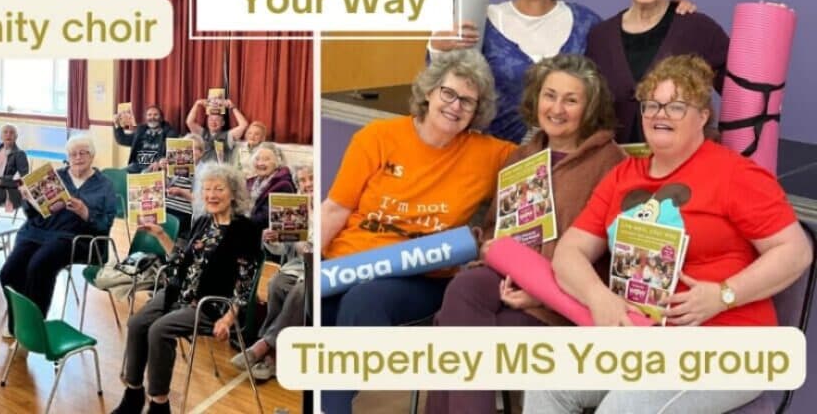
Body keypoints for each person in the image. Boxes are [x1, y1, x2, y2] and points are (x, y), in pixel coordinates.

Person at [524, 54, 812, 414]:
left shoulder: (735, 174)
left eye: (676, 106)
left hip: (730, 344)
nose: (660, 114)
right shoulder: (623, 176)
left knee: (623, 408)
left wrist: (723, 295)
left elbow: (795, 251)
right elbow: (570, 253)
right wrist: (599, 297)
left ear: (703, 116)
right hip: (643, 338)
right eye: (652, 105)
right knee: (545, 385)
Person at [427, 55, 626, 414]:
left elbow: (614, 258)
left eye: (571, 100)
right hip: (506, 279)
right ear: (536, 99)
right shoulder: (521, 156)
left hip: (564, 301)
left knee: (456, 333)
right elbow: (493, 228)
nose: (557, 108)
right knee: (462, 291)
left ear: (590, 107)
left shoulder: (611, 163)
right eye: (550, 95)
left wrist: (542, 295)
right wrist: (489, 245)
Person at [321, 51, 516, 414]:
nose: (456, 107)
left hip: (421, 276)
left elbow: (540, 166)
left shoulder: (490, 155)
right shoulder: (377, 136)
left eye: (468, 102)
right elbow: (335, 208)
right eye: (449, 93)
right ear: (429, 91)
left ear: (478, 111)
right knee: (316, 301)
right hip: (347, 264)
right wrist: (310, 258)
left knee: (364, 301)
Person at [110, 164, 262, 414]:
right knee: (137, 324)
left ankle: (160, 405)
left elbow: (246, 281)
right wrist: (160, 235)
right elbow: (180, 261)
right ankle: (133, 393)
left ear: (233, 193)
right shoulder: (202, 222)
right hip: (180, 292)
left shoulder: (245, 230)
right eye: (207, 189)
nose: (211, 195)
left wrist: (228, 317)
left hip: (212, 304)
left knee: (159, 330)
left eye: (219, 189)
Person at [430, 0, 601, 143]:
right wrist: (436, 48)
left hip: (570, 160)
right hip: (497, 160)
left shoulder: (586, 23)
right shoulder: (484, 23)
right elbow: (443, 88)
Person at [585, 0, 728, 143]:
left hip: (685, 172)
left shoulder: (699, 30)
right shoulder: (599, 38)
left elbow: (744, 97)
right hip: (618, 171)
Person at [0, 134, 116, 330]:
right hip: (39, 231)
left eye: (83, 153)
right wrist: (29, 200)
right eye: (73, 154)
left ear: (92, 156)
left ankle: (34, 327)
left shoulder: (104, 185)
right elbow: (33, 215)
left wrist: (85, 212)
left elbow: (105, 224)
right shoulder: (55, 177)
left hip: (77, 238)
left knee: (39, 265)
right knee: (9, 272)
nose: (78, 158)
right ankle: (17, 322)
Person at [233, 162, 314, 381]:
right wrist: (271, 239)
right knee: (276, 284)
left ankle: (263, 346)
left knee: (301, 291)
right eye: (303, 181)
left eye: (311, 179)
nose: (307, 185)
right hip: (296, 268)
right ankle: (274, 359)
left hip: (320, 270)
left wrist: (304, 245)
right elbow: (282, 250)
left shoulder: (328, 211)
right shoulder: (296, 208)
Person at [113, 104, 178, 173]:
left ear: (161, 118)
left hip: (154, 166)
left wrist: (159, 161)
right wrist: (117, 125)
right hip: (136, 165)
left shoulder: (169, 133)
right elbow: (122, 140)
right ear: (146, 118)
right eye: (149, 115)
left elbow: (171, 153)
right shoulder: (141, 130)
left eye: (155, 115)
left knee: (143, 174)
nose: (152, 117)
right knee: (119, 174)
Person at [245, 142, 296, 228]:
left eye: (266, 159)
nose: (260, 163)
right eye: (257, 159)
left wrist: (237, 221)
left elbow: (267, 218)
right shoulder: (251, 181)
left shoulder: (284, 185)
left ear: (277, 162)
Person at [186, 98, 249, 164]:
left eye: (217, 120)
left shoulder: (228, 135)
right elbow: (189, 122)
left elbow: (244, 125)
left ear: (223, 123)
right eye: (211, 120)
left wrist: (233, 107)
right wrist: (197, 104)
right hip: (202, 170)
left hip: (220, 171)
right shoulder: (202, 133)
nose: (213, 123)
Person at [0, 123, 30, 211]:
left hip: (8, 188)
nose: (8, 134)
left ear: (16, 137)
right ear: (0, 136)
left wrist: (0, 181)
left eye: (12, 132)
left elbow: (23, 179)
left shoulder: (20, 154)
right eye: (5, 132)